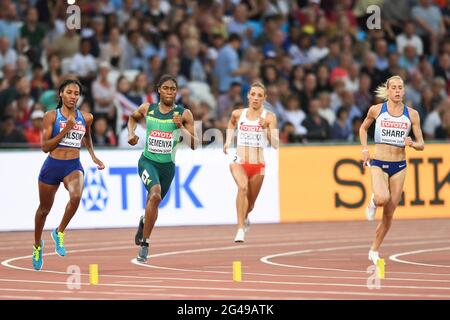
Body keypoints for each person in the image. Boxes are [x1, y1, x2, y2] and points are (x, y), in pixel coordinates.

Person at [33, 79, 105, 271]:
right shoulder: (51, 116)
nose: (73, 97)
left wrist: (93, 156)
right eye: (69, 93)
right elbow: (45, 147)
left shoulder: (86, 117)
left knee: (76, 196)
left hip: (73, 165)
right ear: (61, 94)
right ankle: (37, 245)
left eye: (76, 93)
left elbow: (87, 136)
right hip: (52, 166)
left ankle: (59, 232)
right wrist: (65, 130)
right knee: (44, 210)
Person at [127, 74, 197, 263]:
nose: (169, 92)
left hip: (168, 168)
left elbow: (194, 144)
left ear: (176, 92)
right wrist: (131, 134)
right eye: (165, 88)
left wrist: (181, 127)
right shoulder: (147, 108)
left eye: (172, 89)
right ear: (158, 90)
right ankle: (145, 244)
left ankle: (144, 221)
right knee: (155, 195)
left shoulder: (184, 114)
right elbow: (131, 119)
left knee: (154, 202)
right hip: (147, 162)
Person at [359, 75, 424, 266]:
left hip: (399, 165)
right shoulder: (377, 110)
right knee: (381, 198)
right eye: (393, 87)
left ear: (403, 91)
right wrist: (365, 150)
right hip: (379, 161)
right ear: (387, 90)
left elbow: (422, 144)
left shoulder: (412, 114)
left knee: (389, 212)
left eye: (400, 88)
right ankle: (372, 201)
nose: (397, 91)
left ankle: (374, 250)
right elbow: (363, 129)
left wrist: (413, 143)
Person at [223, 82, 278, 243]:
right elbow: (232, 123)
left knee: (251, 204)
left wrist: (266, 128)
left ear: (264, 98)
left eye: (259, 95)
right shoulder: (238, 113)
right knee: (242, 187)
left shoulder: (269, 117)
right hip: (239, 160)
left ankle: (245, 217)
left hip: (258, 165)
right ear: (248, 95)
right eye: (253, 94)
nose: (255, 98)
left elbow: (275, 144)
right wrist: (227, 141)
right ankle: (240, 228)